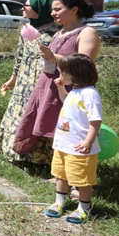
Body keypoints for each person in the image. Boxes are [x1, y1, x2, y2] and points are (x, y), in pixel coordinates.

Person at [13, 0, 101, 160]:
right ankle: (51, 165)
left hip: (71, 89)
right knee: (49, 123)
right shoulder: (59, 33)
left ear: (74, 9)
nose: (53, 13)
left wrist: (53, 56)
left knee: (66, 126)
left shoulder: (87, 33)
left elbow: (84, 63)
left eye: (58, 9)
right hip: (50, 85)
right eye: (52, 10)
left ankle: (71, 166)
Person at [0, 0, 57, 164]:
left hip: (44, 80)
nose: (22, 8)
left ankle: (39, 157)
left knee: (39, 113)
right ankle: (14, 151)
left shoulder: (56, 31)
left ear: (40, 8)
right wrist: (13, 79)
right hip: (24, 80)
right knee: (20, 112)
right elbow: (20, 56)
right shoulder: (27, 29)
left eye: (27, 5)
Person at [44, 53, 102, 225]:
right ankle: (59, 202)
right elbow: (67, 102)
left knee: (82, 179)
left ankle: (84, 208)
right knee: (61, 175)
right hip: (64, 144)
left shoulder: (90, 94)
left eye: (63, 73)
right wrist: (61, 89)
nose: (60, 75)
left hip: (80, 147)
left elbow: (96, 120)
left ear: (75, 74)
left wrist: (88, 141)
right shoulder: (75, 91)